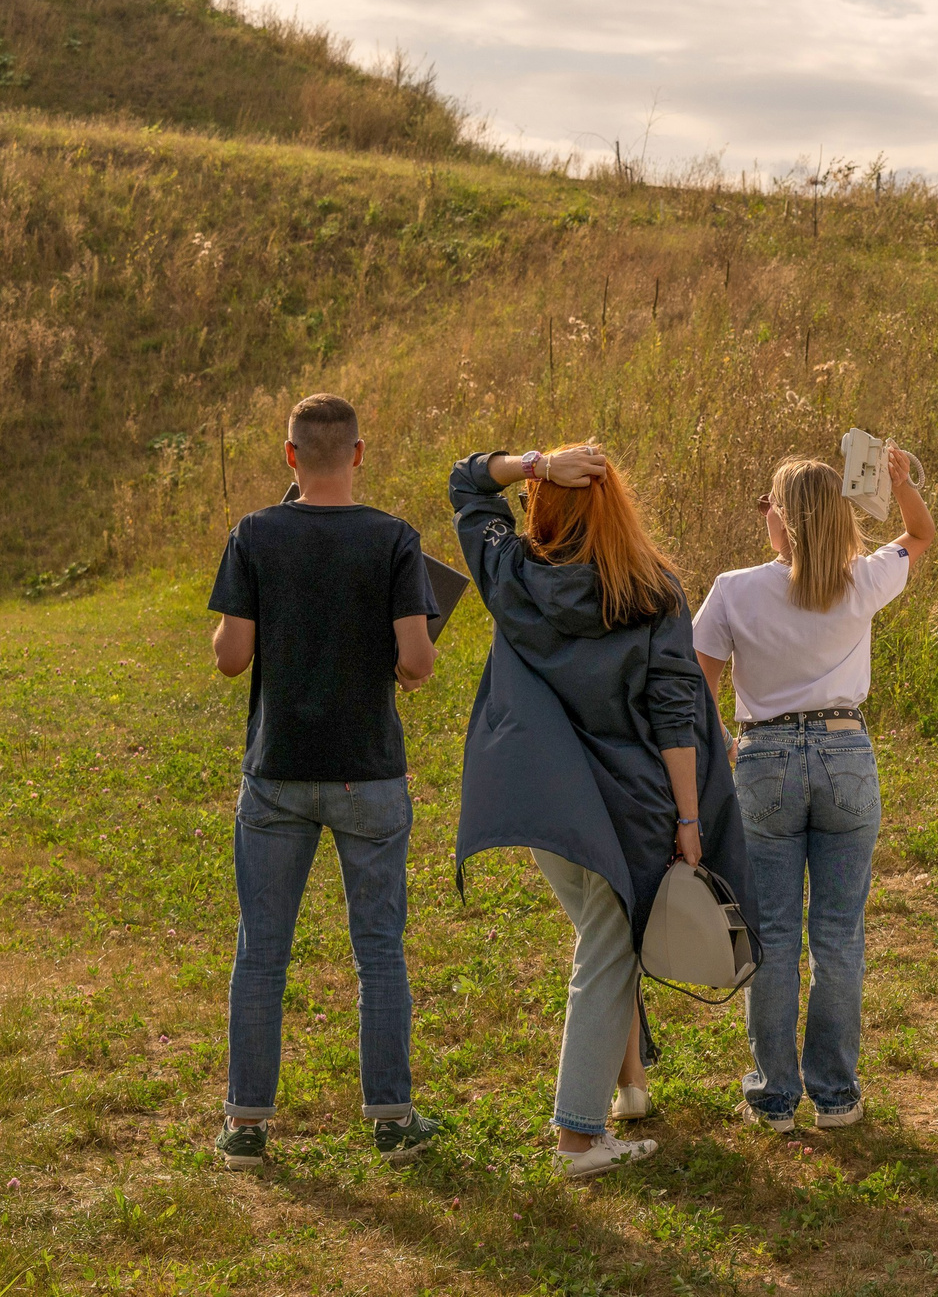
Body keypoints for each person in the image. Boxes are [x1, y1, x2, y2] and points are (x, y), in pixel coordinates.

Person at [450, 441, 755, 1179]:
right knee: (608, 949)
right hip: (630, 802)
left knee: (602, 938)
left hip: (546, 802)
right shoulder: (651, 591)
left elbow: (466, 483)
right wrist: (690, 821)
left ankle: (629, 1086)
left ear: (544, 502)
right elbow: (676, 714)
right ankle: (579, 1137)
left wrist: (533, 465)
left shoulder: (512, 573)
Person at [206, 394, 441, 1170]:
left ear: (290, 456)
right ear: (359, 454)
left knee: (261, 952)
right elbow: (416, 659)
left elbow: (231, 657)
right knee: (379, 951)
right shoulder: (394, 538)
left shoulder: (254, 533)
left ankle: (246, 1122)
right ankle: (391, 1117)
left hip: (277, 770)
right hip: (367, 772)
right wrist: (406, 664)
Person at [693, 450, 934, 1132]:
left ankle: (774, 1095)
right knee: (839, 933)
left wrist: (724, 741)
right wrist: (901, 483)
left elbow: (695, 681)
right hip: (845, 751)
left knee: (772, 931)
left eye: (768, 505)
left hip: (764, 756)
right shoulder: (863, 579)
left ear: (783, 518)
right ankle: (835, 1093)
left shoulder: (733, 590)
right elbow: (921, 535)